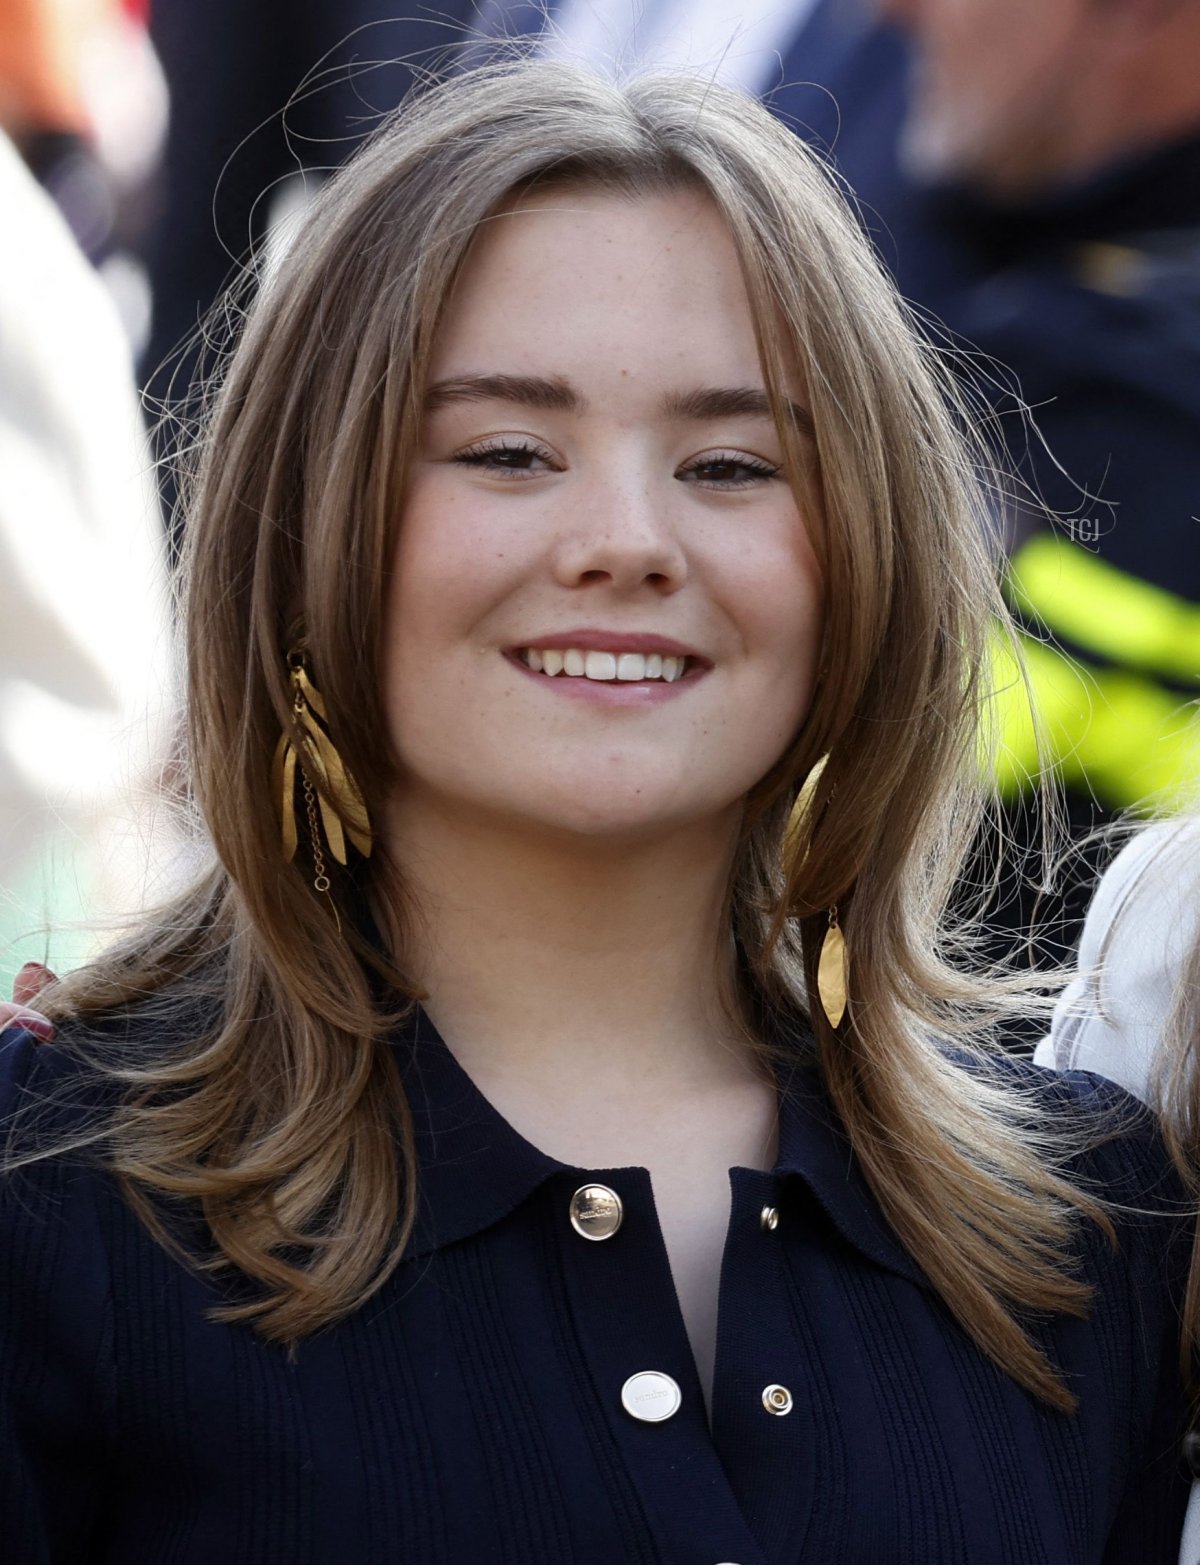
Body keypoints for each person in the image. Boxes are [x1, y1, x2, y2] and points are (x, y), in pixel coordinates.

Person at [0, 59, 1189, 1562]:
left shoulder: (1087, 1224)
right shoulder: (58, 1194)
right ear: (306, 529)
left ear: (865, 553)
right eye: (507, 450)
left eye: (730, 463)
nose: (626, 540)